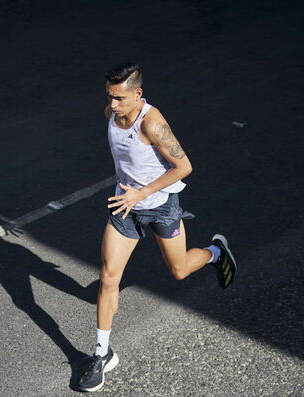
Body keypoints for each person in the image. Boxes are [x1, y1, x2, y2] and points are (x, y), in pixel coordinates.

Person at [78, 63, 237, 392]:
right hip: (126, 207)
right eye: (109, 96)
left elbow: (184, 166)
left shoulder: (152, 123)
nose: (113, 104)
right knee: (108, 277)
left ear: (138, 94)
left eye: (120, 98)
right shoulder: (112, 109)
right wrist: (131, 195)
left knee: (179, 271)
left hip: (161, 207)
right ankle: (102, 354)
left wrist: (144, 192)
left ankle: (216, 252)